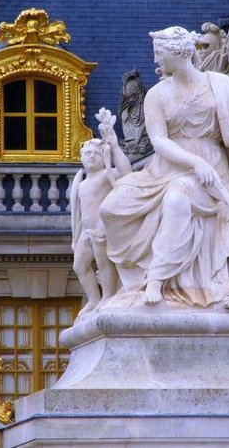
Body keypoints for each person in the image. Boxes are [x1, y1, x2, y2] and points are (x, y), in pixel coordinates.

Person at [99, 26, 229, 307]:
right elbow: (160, 141)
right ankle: (125, 284)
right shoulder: (157, 95)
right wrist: (193, 162)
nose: (155, 61)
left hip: (209, 173)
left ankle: (156, 279)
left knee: (177, 199)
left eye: (159, 54)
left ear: (178, 53)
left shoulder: (220, 85)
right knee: (110, 207)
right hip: (168, 168)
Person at [70, 108, 132, 313]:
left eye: (95, 154)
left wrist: (113, 147)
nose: (90, 157)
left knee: (104, 265)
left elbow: (126, 173)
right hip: (86, 231)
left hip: (102, 229)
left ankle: (107, 295)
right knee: (80, 265)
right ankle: (93, 298)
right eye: (87, 154)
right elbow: (77, 214)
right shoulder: (80, 182)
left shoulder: (106, 174)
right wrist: (75, 236)